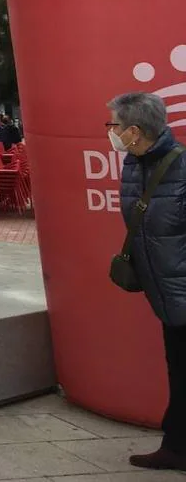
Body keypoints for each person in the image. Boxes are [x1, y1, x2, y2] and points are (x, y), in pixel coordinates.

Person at [101, 93, 186, 471]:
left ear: (134, 131)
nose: (112, 132)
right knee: (179, 369)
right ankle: (177, 447)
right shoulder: (135, 165)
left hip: (181, 291)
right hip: (166, 295)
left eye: (115, 126)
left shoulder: (181, 168)